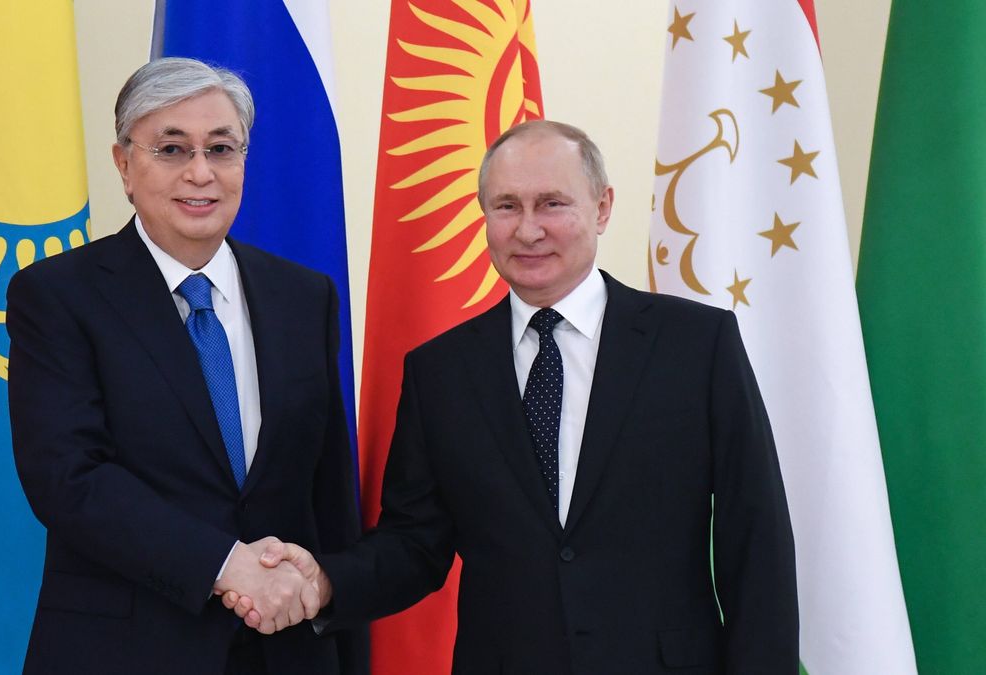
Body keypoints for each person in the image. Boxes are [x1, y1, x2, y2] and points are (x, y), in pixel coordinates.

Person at [229, 120, 799, 673]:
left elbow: (756, 539)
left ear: (602, 208)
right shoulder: (441, 371)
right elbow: (414, 545)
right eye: (506, 207)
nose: (528, 230)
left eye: (553, 203)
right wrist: (325, 581)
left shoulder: (697, 345)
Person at [6, 57, 365, 675]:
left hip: (288, 652)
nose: (201, 172)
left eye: (221, 148)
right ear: (124, 164)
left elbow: (328, 496)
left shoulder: (305, 298)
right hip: (125, 652)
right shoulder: (58, 296)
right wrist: (229, 565)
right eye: (171, 149)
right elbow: (69, 478)